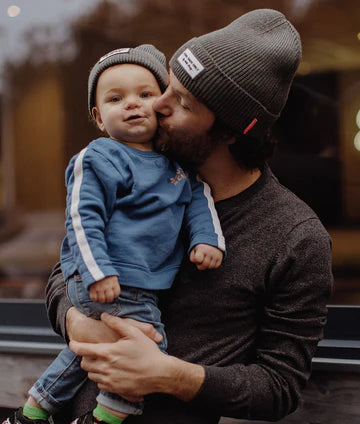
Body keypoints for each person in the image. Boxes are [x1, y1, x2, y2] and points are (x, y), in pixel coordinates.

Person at [30, 8, 332, 424]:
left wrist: (169, 375)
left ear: (229, 131)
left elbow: (279, 387)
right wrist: (78, 323)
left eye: (182, 102)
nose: (158, 104)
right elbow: (64, 270)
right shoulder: (132, 166)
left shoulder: (294, 238)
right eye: (167, 87)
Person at [3, 45, 225, 424]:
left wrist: (208, 240)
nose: (132, 104)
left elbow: (199, 200)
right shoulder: (100, 157)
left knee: (87, 348)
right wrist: (98, 272)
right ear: (99, 117)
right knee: (148, 343)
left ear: (164, 105)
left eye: (145, 94)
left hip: (138, 283)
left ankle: (32, 412)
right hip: (107, 278)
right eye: (116, 98)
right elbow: (80, 218)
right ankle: (104, 417)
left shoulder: (177, 167)